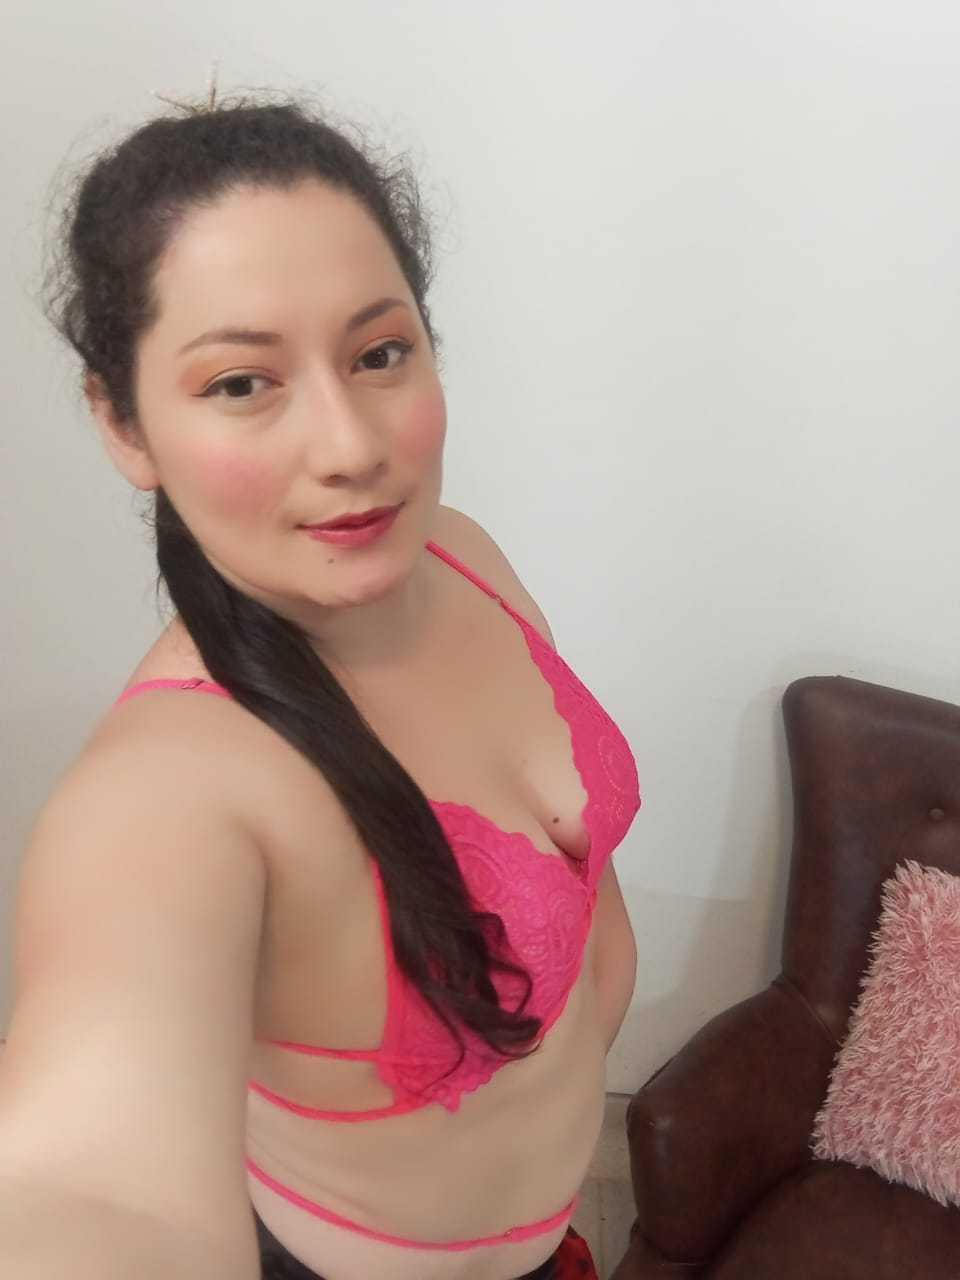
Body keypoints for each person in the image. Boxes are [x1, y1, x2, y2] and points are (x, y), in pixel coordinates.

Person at [0, 90, 641, 1280]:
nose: (351, 446)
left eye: (379, 353)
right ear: (123, 423)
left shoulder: (463, 553)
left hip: (551, 1235)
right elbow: (90, 1185)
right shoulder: (168, 800)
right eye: (243, 383)